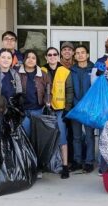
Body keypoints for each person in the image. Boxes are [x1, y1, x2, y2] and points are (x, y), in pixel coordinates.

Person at [41, 47, 73, 179]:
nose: (52, 56)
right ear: (46, 57)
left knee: (62, 138)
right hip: (45, 110)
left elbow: (69, 91)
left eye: (55, 54)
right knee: (46, 137)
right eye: (50, 55)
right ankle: (46, 164)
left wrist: (67, 109)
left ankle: (65, 166)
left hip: (60, 110)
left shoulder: (65, 71)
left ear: (58, 56)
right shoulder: (41, 70)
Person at [70, 45, 95, 174]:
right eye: (77, 53)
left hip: (90, 109)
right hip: (76, 107)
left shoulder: (94, 69)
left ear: (87, 55)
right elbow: (69, 90)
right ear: (75, 56)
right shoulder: (71, 70)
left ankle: (89, 161)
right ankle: (77, 161)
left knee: (90, 135)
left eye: (83, 52)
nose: (80, 55)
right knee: (76, 136)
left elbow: (96, 89)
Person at [19, 49, 51, 136]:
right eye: (28, 57)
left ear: (36, 60)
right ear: (24, 59)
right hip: (22, 111)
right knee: (25, 136)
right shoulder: (17, 73)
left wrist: (47, 101)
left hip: (38, 110)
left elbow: (48, 89)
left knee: (37, 136)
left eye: (33, 58)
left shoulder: (43, 74)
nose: (30, 60)